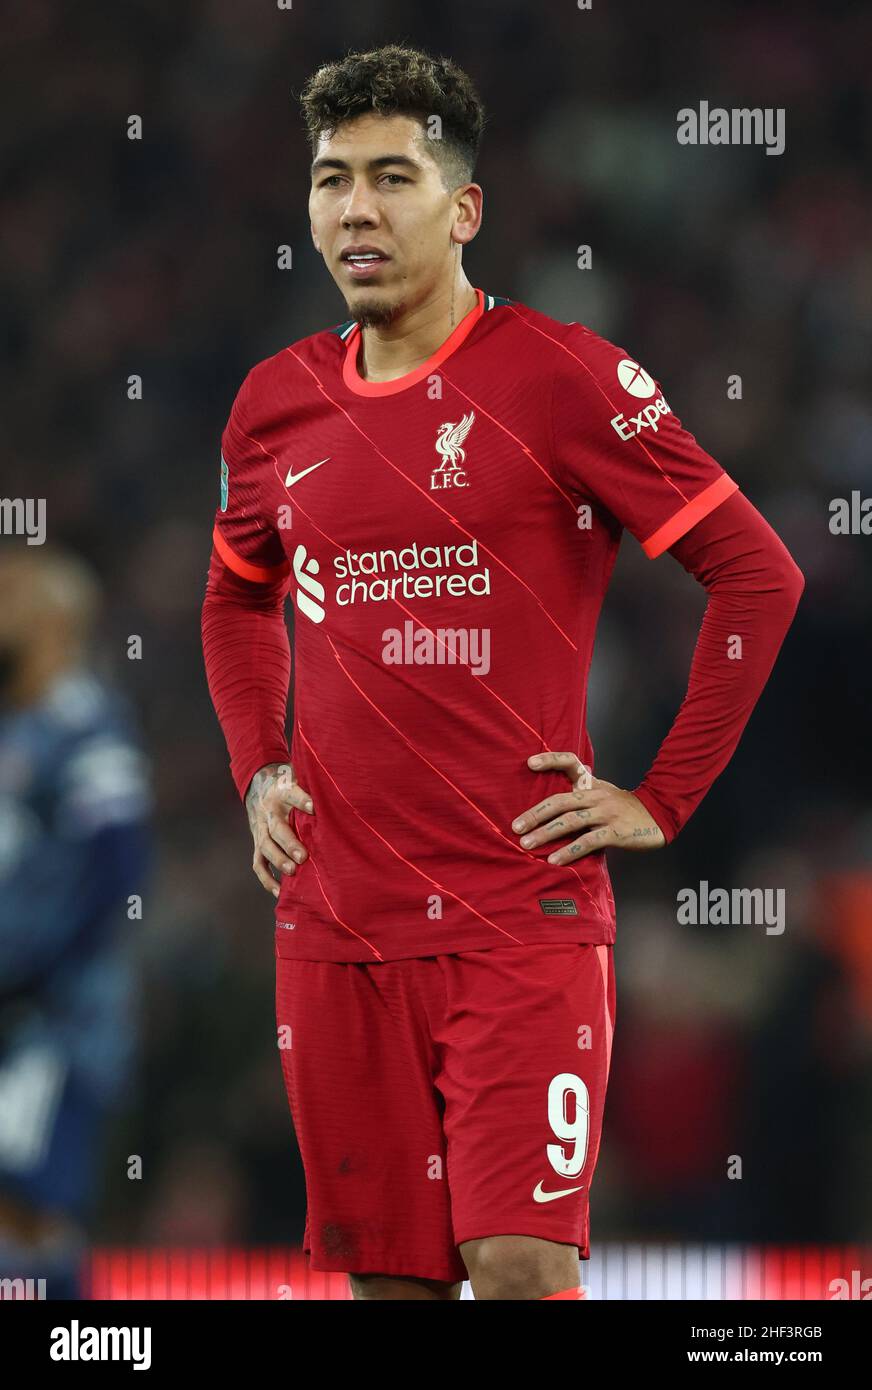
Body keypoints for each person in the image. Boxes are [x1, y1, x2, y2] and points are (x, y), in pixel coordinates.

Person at [201, 43, 803, 1301]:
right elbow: (236, 595)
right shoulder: (272, 406)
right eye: (329, 180)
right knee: (390, 1289)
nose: (355, 208)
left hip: (514, 912)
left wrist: (661, 798)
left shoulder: (561, 375)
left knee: (521, 1267)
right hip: (334, 918)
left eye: (391, 177)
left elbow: (758, 575)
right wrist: (258, 767)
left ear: (462, 206)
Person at [0, 549, 151, 1299]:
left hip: (55, 1024)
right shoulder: (17, 725)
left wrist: (36, 970)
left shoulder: (86, 724)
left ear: (53, 622)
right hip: (17, 1013)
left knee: (31, 1209)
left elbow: (118, 864)